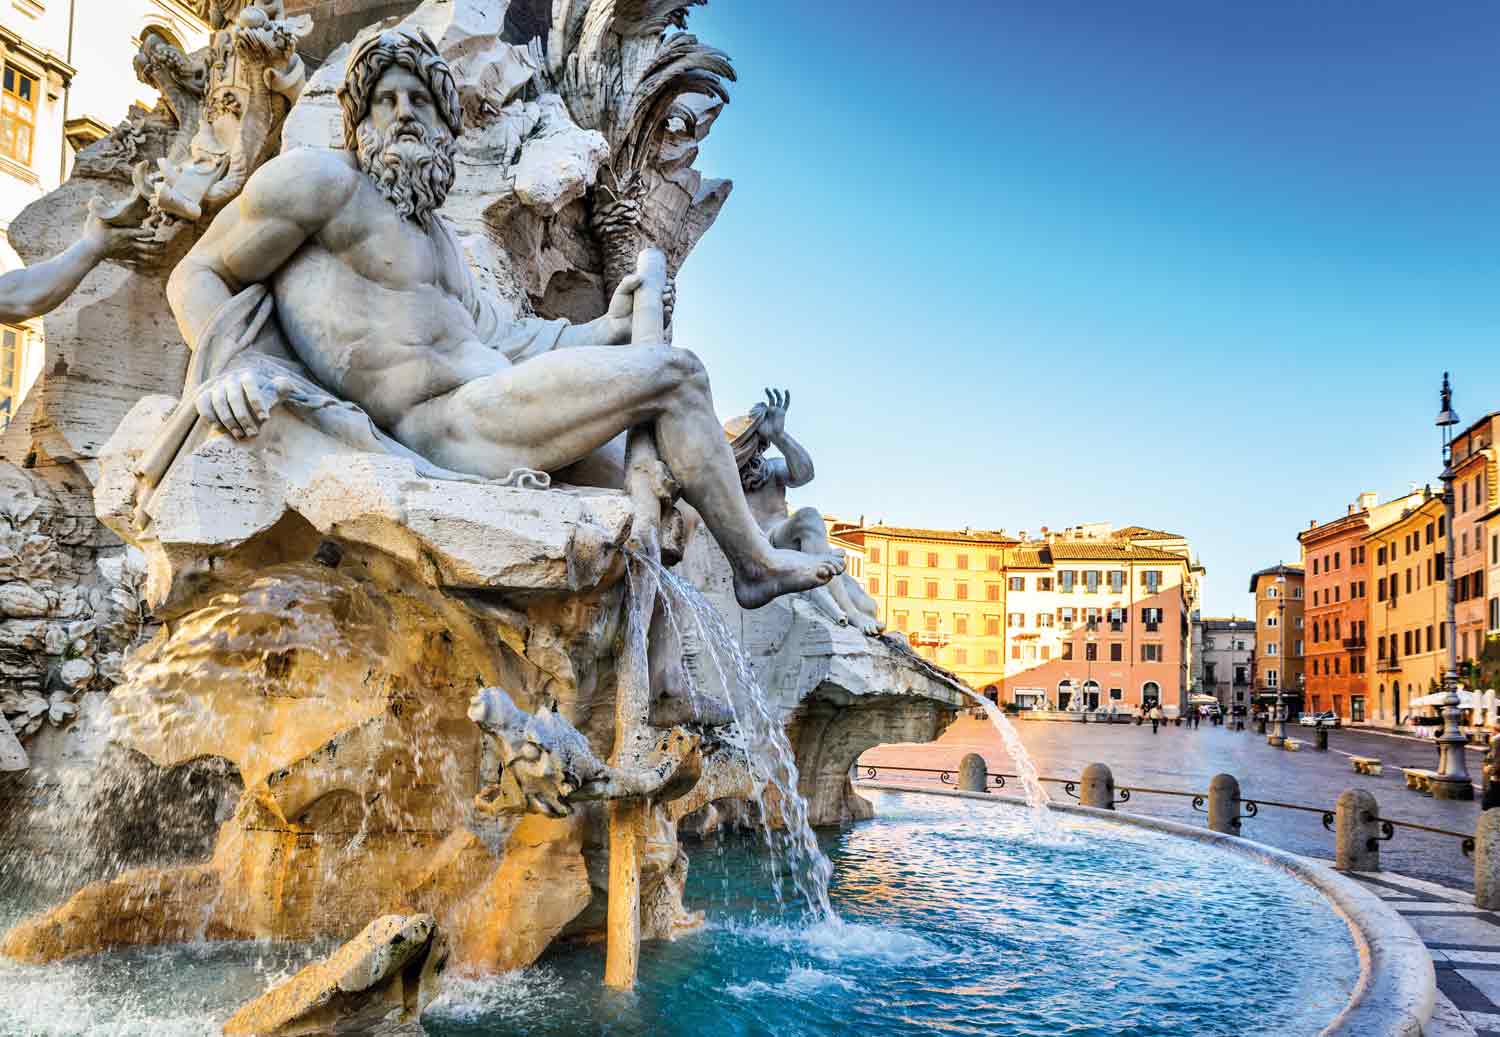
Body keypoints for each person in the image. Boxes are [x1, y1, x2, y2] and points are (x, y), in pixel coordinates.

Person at [165, 27, 842, 610]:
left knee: (671, 495)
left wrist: (609, 325)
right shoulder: (320, 183)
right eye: (385, 100)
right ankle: (753, 565)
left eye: (420, 101)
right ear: (360, 120)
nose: (403, 113)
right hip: (440, 427)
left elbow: (512, 340)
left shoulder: (440, 245)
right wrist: (228, 365)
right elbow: (196, 272)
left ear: (442, 124)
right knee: (679, 373)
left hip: (490, 406)